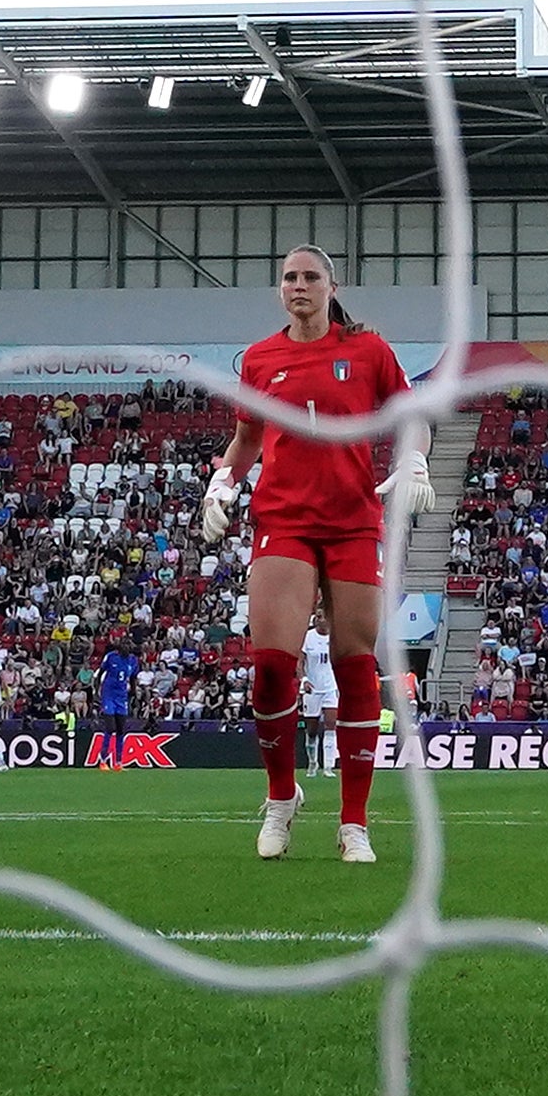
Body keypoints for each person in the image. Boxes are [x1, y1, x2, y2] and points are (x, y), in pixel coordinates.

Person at [200, 245, 430, 863]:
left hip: (353, 521)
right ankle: (282, 798)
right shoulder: (259, 358)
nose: (298, 285)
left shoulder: (369, 351)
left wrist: (412, 457)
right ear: (280, 289)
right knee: (272, 663)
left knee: (357, 665)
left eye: (310, 276)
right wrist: (224, 481)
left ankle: (354, 822)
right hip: (283, 519)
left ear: (332, 286)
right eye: (289, 277)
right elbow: (248, 437)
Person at [300, 621, 338, 775]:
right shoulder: (308, 637)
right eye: (319, 616)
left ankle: (328, 766)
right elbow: (299, 661)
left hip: (331, 687)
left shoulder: (336, 637)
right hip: (312, 689)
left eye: (324, 616)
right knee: (312, 730)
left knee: (331, 725)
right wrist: (304, 680)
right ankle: (312, 762)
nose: (321, 620)